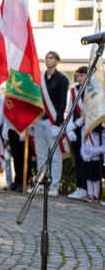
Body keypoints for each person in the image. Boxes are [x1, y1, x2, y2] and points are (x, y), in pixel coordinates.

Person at [30, 51, 69, 196]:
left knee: (56, 155)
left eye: (51, 58)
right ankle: (40, 184)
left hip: (53, 122)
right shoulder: (40, 79)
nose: (47, 60)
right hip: (40, 121)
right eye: (46, 58)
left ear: (57, 61)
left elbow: (62, 103)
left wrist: (58, 124)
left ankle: (54, 186)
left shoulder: (62, 79)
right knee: (41, 155)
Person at [66, 66, 88, 199]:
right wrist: (69, 128)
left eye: (82, 75)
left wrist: (76, 125)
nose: (79, 78)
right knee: (77, 159)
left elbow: (88, 111)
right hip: (74, 127)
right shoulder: (74, 91)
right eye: (78, 75)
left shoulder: (90, 90)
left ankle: (85, 188)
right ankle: (79, 186)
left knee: (84, 158)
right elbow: (69, 110)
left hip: (85, 128)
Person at [79, 125, 104, 203]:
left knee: (96, 178)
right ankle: (90, 193)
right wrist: (84, 155)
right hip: (87, 158)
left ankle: (96, 195)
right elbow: (83, 143)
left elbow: (103, 148)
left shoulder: (102, 132)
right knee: (88, 177)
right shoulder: (85, 129)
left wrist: (92, 153)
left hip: (96, 158)